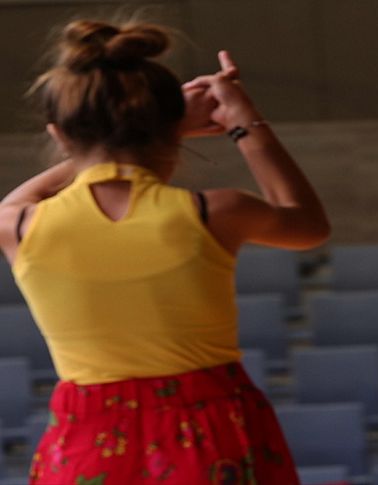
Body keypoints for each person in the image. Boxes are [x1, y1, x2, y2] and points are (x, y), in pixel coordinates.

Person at [0, 19, 329, 484]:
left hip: (88, 440)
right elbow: (307, 223)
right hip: (213, 432)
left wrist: (153, 130)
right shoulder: (214, 211)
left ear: (59, 135)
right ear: (169, 129)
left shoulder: (15, 225)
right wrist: (242, 122)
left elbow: (18, 198)